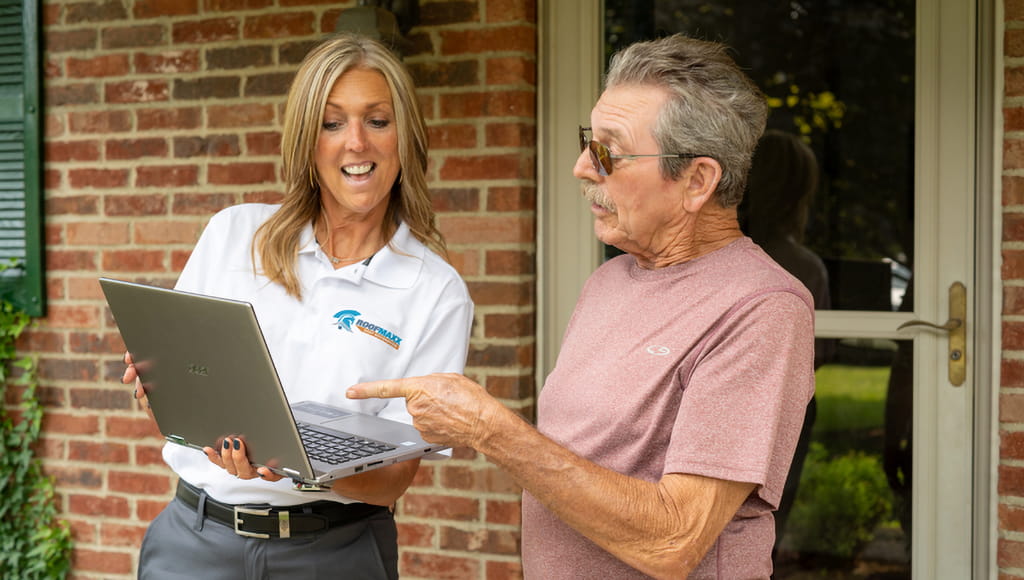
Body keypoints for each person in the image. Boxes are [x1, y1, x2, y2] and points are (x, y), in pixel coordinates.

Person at [348, 34, 815, 579]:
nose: (582, 167)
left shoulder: (762, 308)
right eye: (588, 141)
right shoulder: (608, 281)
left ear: (697, 180)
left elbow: (674, 541)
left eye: (609, 151)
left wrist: (490, 429)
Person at [121, 33, 473, 580]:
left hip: (334, 553)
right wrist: (163, 392)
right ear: (307, 140)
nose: (356, 142)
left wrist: (292, 460)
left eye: (378, 120)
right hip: (195, 543)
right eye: (332, 123)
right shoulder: (234, 235)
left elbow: (394, 480)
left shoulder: (436, 292)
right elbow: (179, 410)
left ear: (406, 137)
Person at [739, 129, 833, 555]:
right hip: (789, 407)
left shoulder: (717, 257)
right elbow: (820, 354)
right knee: (771, 518)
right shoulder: (804, 266)